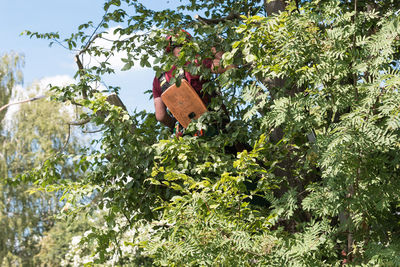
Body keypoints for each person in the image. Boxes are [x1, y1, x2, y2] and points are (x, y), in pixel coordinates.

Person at [152, 31, 233, 131]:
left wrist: (177, 124)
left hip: (187, 132)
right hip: (215, 125)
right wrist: (217, 52)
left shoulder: (159, 78)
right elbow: (230, 67)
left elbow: (160, 116)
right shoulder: (196, 62)